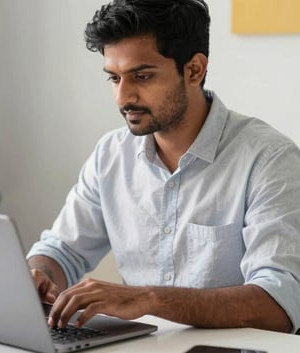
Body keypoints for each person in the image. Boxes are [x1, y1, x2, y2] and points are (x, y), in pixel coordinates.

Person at [27, 0, 300, 333]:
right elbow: (62, 250)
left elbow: (281, 302)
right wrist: (39, 275)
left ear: (194, 70)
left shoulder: (269, 158)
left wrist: (150, 299)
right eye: (114, 78)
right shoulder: (111, 155)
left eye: (141, 76)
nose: (123, 97)